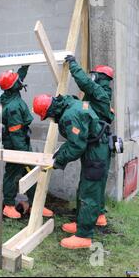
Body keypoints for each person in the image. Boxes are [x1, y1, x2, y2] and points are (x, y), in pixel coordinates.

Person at [33, 94, 110, 249]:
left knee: (89, 193)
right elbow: (78, 139)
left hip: (96, 152)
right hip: (95, 148)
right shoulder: (69, 103)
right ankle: (82, 223)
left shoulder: (69, 117)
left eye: (48, 117)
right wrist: (59, 153)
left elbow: (76, 146)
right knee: (85, 189)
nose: (50, 120)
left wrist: (58, 161)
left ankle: (84, 236)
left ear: (51, 112)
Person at [65, 55, 114, 227]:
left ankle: (83, 226)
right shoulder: (101, 95)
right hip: (100, 144)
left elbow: (85, 82)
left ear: (100, 78)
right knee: (97, 182)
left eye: (94, 75)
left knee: (88, 186)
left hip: (95, 146)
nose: (91, 76)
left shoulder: (98, 92)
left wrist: (73, 64)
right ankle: (99, 216)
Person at [0, 66, 53, 219]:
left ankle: (36, 204)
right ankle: (9, 206)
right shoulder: (14, 107)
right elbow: (15, 133)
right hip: (17, 145)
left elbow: (17, 80)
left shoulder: (9, 95)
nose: (20, 82)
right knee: (16, 173)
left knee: (28, 172)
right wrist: (24, 153)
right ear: (14, 86)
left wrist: (24, 68)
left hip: (19, 141)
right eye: (17, 81)